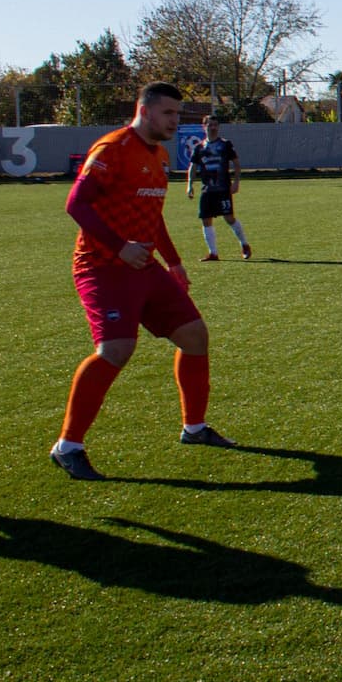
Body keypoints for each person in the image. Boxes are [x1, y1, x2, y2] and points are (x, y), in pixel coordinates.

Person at [50, 82, 237, 480]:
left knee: (194, 335)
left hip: (144, 266)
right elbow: (76, 204)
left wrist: (174, 262)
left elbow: (153, 215)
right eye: (168, 113)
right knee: (116, 349)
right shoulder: (112, 149)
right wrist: (119, 248)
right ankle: (68, 446)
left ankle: (194, 428)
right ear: (145, 110)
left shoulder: (159, 156)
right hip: (102, 266)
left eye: (177, 114)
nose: (175, 121)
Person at [184, 115, 251, 260]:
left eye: (215, 125)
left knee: (229, 218)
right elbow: (193, 167)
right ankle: (213, 253)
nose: (213, 128)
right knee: (206, 219)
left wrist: (236, 182)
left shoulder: (225, 144)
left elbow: (236, 164)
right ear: (204, 127)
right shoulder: (199, 147)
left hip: (223, 189)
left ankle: (244, 244)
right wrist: (190, 185)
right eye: (210, 125)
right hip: (207, 190)